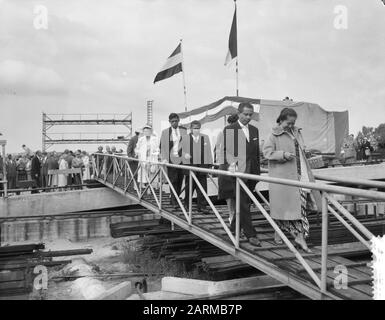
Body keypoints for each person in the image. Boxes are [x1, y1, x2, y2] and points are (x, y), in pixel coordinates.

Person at [263, 108, 321, 253]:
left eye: (293, 123)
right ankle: (297, 237)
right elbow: (267, 152)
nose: (291, 125)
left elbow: (300, 149)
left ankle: (296, 236)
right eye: (289, 123)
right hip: (285, 177)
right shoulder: (273, 135)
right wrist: (282, 154)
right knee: (291, 208)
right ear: (281, 120)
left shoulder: (296, 132)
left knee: (299, 208)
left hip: (301, 175)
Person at [218, 102, 261, 247]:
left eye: (250, 115)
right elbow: (224, 151)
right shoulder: (230, 129)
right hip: (237, 172)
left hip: (252, 172)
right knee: (243, 202)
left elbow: (255, 153)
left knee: (244, 202)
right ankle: (250, 233)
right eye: (245, 114)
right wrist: (231, 165)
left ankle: (234, 228)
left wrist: (257, 170)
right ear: (238, 113)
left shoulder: (255, 130)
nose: (248, 117)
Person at [181, 120, 213, 214]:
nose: (196, 130)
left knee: (202, 188)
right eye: (194, 128)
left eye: (198, 128)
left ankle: (202, 206)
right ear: (191, 129)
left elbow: (209, 151)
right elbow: (179, 151)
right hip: (190, 167)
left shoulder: (205, 137)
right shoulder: (185, 138)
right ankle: (187, 204)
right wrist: (184, 154)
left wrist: (209, 165)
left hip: (202, 167)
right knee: (189, 187)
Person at [160, 113, 188, 209]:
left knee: (180, 180)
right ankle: (173, 201)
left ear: (179, 120)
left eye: (176, 121)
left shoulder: (184, 131)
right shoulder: (165, 132)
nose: (174, 123)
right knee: (173, 180)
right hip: (171, 160)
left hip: (181, 160)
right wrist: (164, 159)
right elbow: (162, 147)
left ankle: (175, 198)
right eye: (172, 121)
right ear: (169, 122)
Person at [135, 125, 160, 192]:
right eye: (145, 131)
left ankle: (151, 186)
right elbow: (137, 148)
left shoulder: (154, 139)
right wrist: (138, 154)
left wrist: (155, 154)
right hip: (143, 158)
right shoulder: (141, 139)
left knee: (152, 171)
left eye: (148, 130)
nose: (147, 132)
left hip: (152, 158)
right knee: (143, 171)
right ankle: (143, 185)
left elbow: (157, 148)